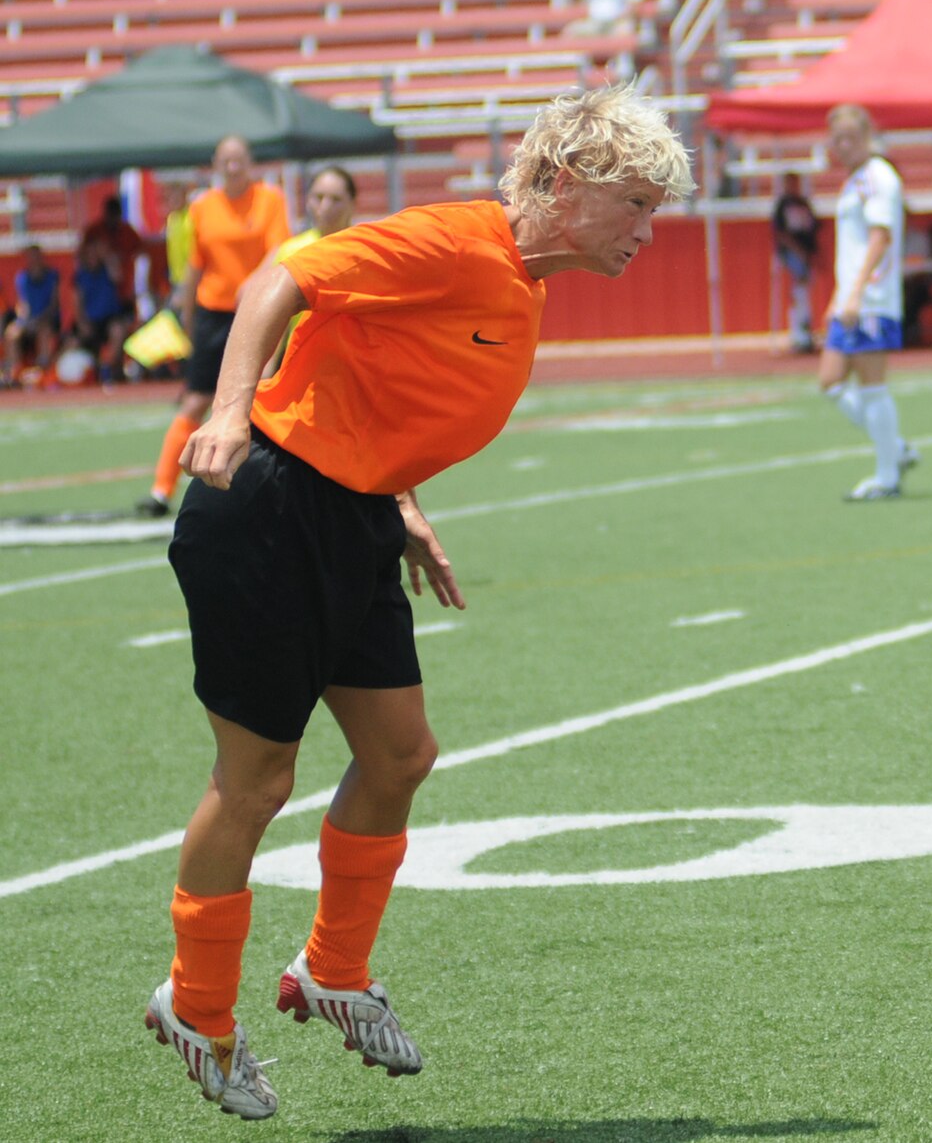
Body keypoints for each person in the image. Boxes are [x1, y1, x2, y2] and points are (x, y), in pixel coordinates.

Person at [143, 87, 691, 1122]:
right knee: (257, 778)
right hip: (266, 506)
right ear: (563, 185)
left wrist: (401, 504)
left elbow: (372, 378)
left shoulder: (520, 282)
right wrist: (223, 417)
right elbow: (279, 278)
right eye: (634, 204)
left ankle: (331, 970)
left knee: (400, 752)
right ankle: (199, 1006)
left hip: (351, 518)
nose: (646, 232)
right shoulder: (454, 242)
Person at [141, 137, 291, 515]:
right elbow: (195, 265)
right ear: (215, 165)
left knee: (261, 397)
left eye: (239, 160)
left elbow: (279, 247)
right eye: (226, 160)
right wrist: (189, 320)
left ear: (251, 163)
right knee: (196, 399)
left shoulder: (270, 199)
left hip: (257, 308)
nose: (233, 167)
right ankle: (161, 490)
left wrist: (254, 281)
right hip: (213, 311)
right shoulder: (203, 207)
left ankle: (260, 489)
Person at [819, 104, 916, 501]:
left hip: (872, 298)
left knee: (872, 387)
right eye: (836, 139)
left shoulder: (878, 177)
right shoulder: (855, 180)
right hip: (853, 298)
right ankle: (894, 447)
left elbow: (879, 237)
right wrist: (837, 297)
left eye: (849, 138)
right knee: (830, 381)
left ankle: (887, 475)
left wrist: (856, 292)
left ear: (867, 137)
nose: (841, 146)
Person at [265, 166, 360, 368]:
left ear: (352, 203)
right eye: (319, 197)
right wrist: (269, 363)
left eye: (336, 199)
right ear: (307, 200)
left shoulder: (362, 249)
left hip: (350, 359)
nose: (325, 206)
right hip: (300, 360)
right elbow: (277, 314)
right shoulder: (292, 250)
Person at [70, 239, 136, 382]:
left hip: (110, 318)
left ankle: (109, 367)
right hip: (90, 321)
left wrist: (106, 255)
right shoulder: (81, 276)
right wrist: (82, 323)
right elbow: (77, 303)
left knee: (118, 331)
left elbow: (117, 277)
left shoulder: (107, 270)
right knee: (72, 343)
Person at [772, 173, 820, 354]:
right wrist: (798, 252)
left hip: (805, 253)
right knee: (798, 293)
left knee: (804, 293)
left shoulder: (803, 204)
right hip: (791, 253)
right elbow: (780, 233)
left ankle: (805, 334)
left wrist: (811, 254)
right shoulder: (783, 206)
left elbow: (813, 229)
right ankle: (798, 334)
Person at [3, 244, 62, 387]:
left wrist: (39, 319)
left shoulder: (52, 276)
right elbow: (22, 304)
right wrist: (23, 321)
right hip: (29, 321)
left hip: (46, 320)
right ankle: (14, 374)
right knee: (11, 333)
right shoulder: (22, 278)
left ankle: (43, 371)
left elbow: (54, 305)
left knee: (44, 331)